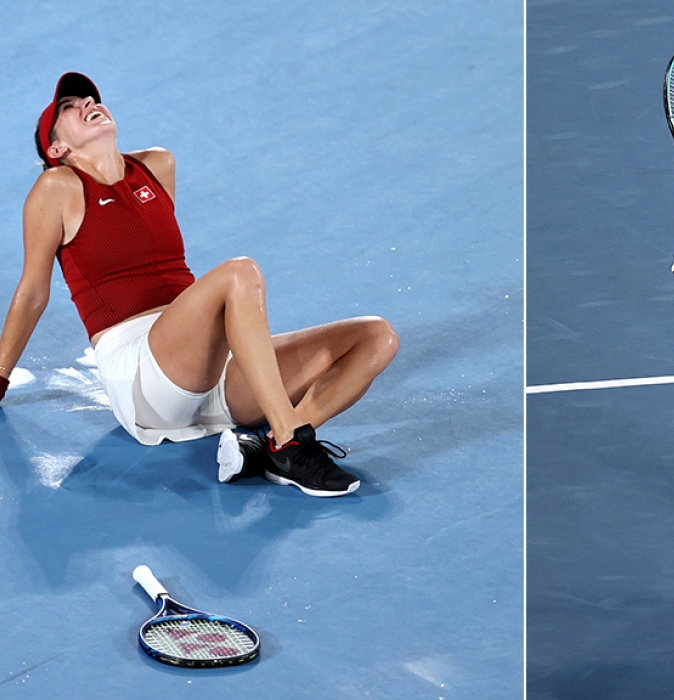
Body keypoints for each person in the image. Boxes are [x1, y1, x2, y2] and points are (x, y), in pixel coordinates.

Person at [0, 72, 399, 497]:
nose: (85, 103)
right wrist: (1, 375)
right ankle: (289, 443)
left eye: (87, 98)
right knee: (239, 272)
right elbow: (34, 291)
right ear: (57, 149)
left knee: (377, 337)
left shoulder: (157, 165)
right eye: (68, 107)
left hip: (211, 373)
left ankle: (264, 449)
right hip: (143, 375)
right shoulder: (56, 186)